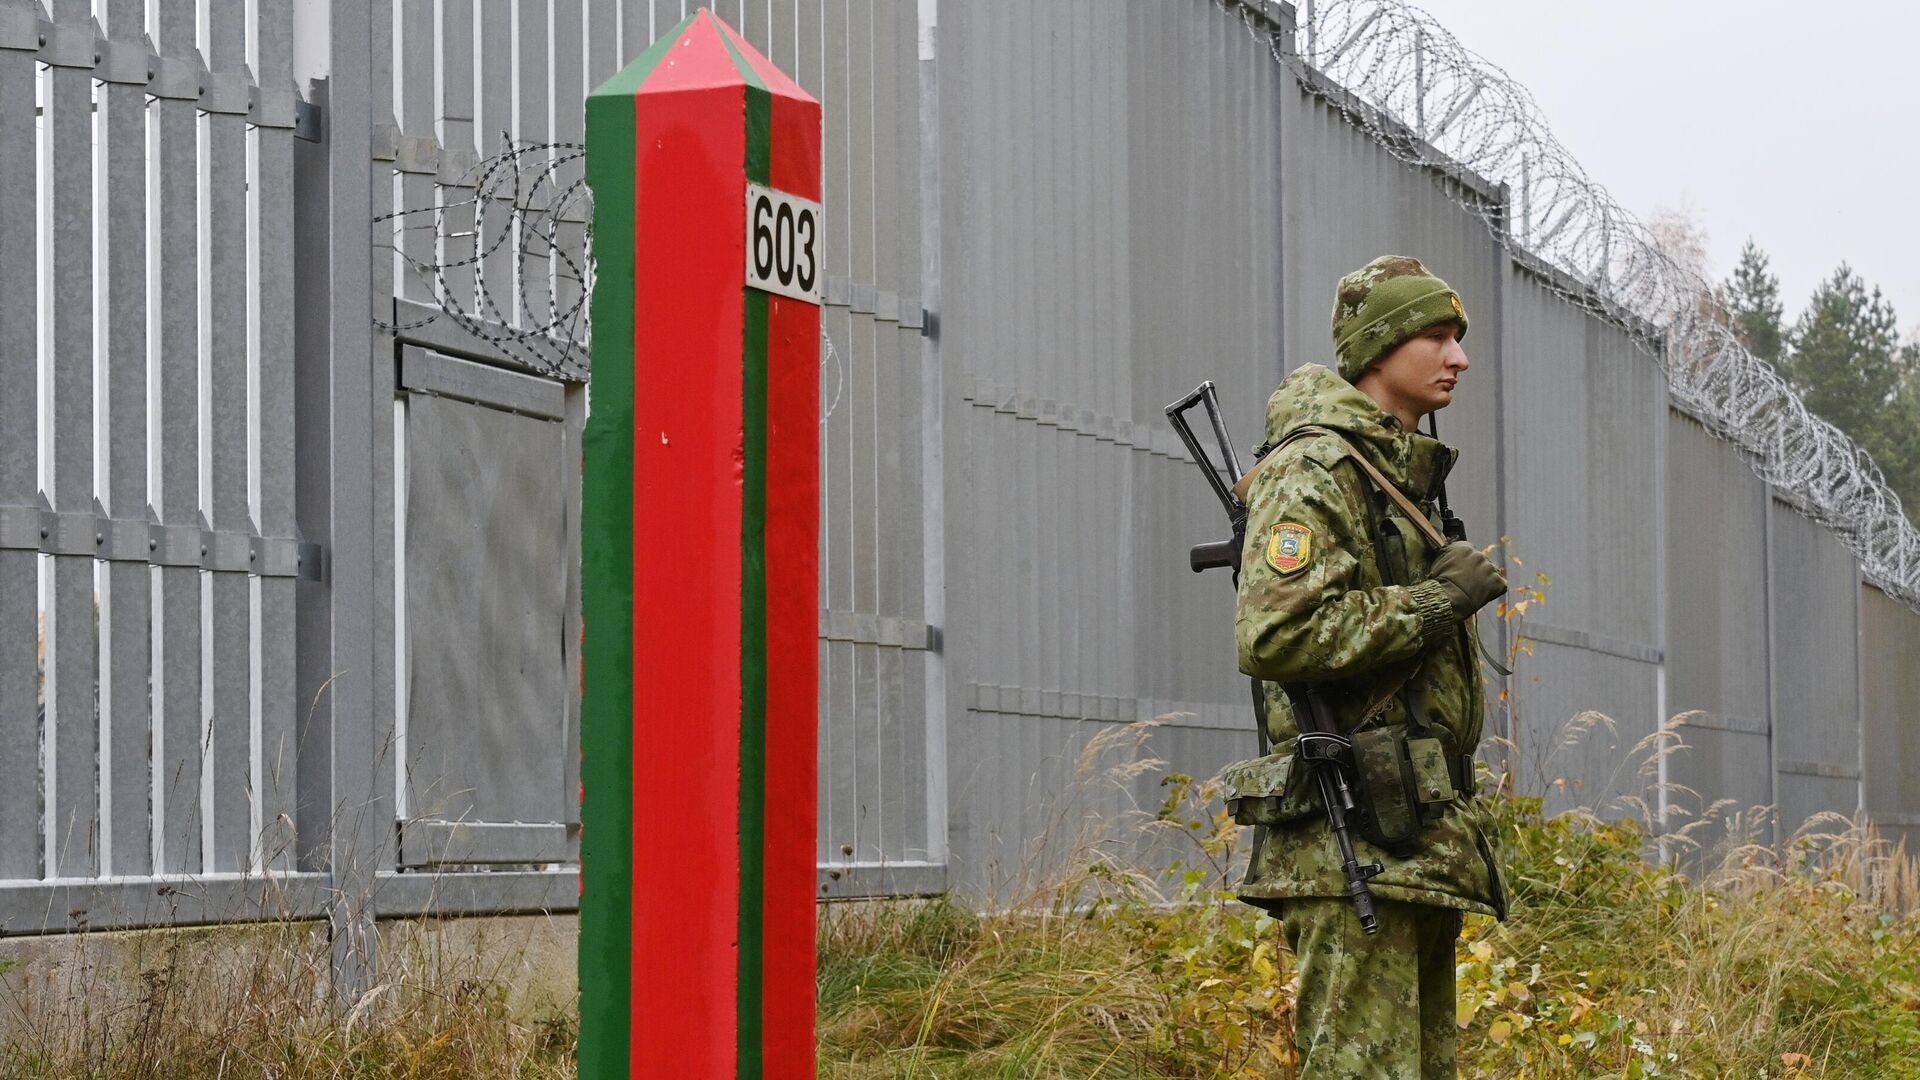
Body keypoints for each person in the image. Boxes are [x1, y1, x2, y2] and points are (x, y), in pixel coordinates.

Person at [1231, 255, 1510, 1079]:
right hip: (1350, 829)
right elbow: (1276, 636)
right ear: (1379, 347)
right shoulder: (1313, 470)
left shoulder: (1398, 473)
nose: (1458, 357)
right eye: (1437, 335)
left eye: (1459, 338)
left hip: (1412, 832)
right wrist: (1436, 603)